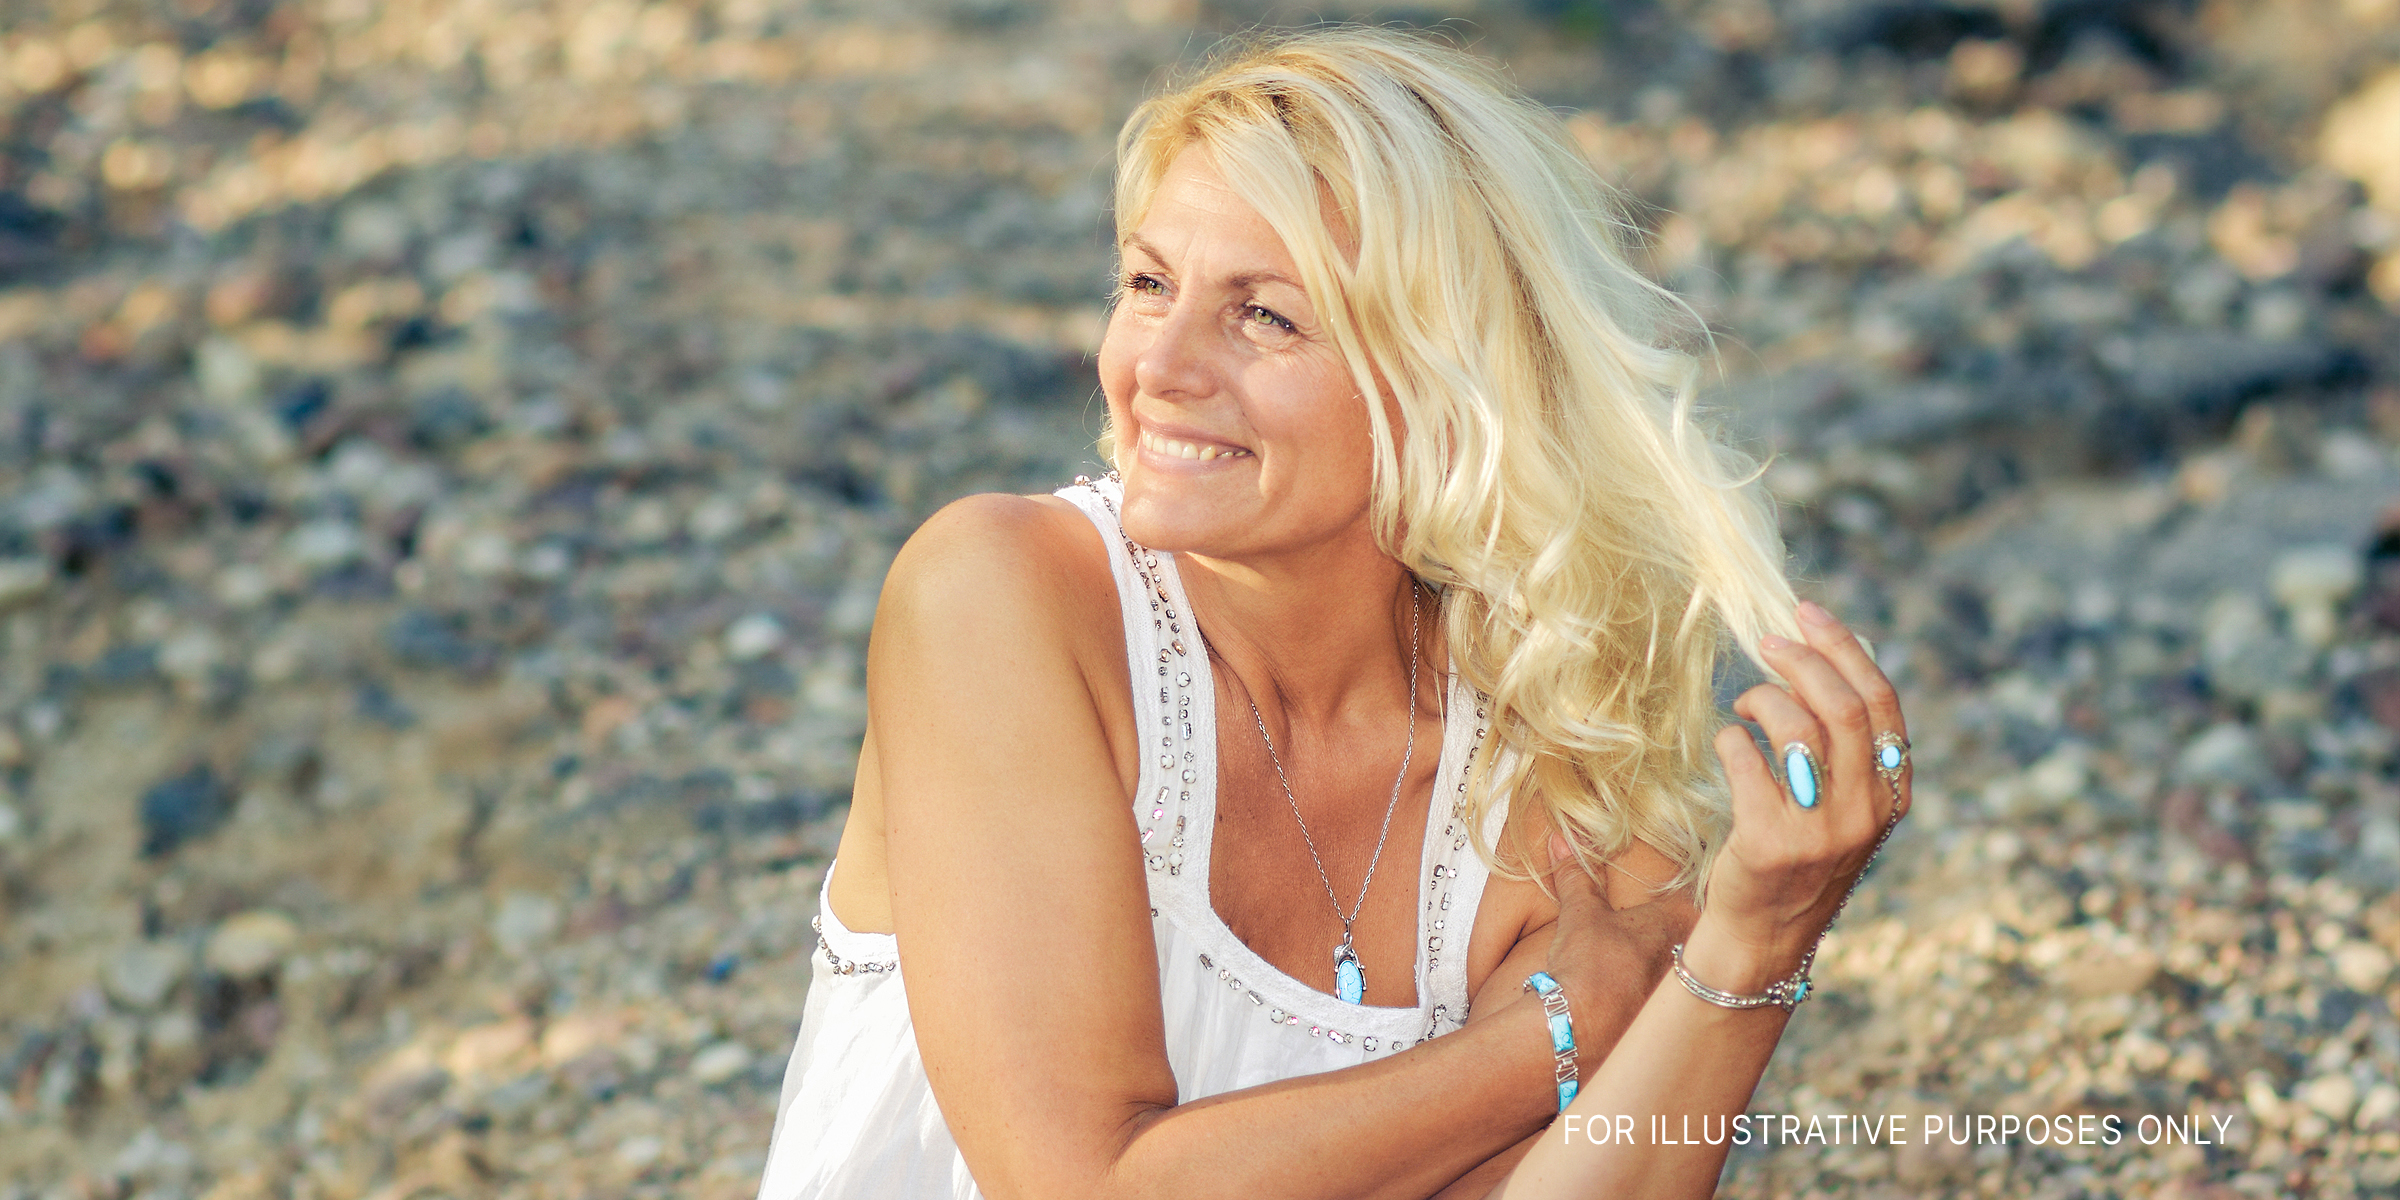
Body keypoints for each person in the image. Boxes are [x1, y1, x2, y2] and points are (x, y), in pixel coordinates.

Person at [758, 26, 1910, 1200]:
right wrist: (1554, 1037)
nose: (1158, 366)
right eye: (1149, 285)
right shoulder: (1001, 596)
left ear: (1447, 387)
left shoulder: (1556, 769)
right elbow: (1078, 1185)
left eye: (1265, 316)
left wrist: (1756, 942)